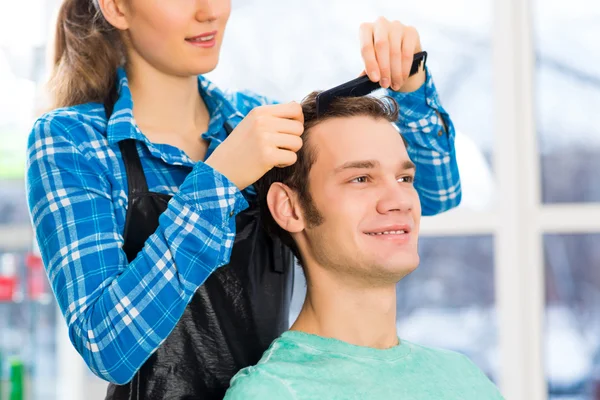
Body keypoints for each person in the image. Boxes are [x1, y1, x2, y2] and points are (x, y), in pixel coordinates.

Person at [25, 0, 461, 398]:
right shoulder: (71, 142)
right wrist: (221, 178)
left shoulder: (258, 121)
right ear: (117, 8)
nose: (210, 11)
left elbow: (434, 194)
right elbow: (107, 347)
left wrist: (411, 85)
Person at [224, 93, 502, 400]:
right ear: (290, 208)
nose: (399, 201)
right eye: (360, 178)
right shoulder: (273, 392)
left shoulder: (464, 378)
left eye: (404, 178)